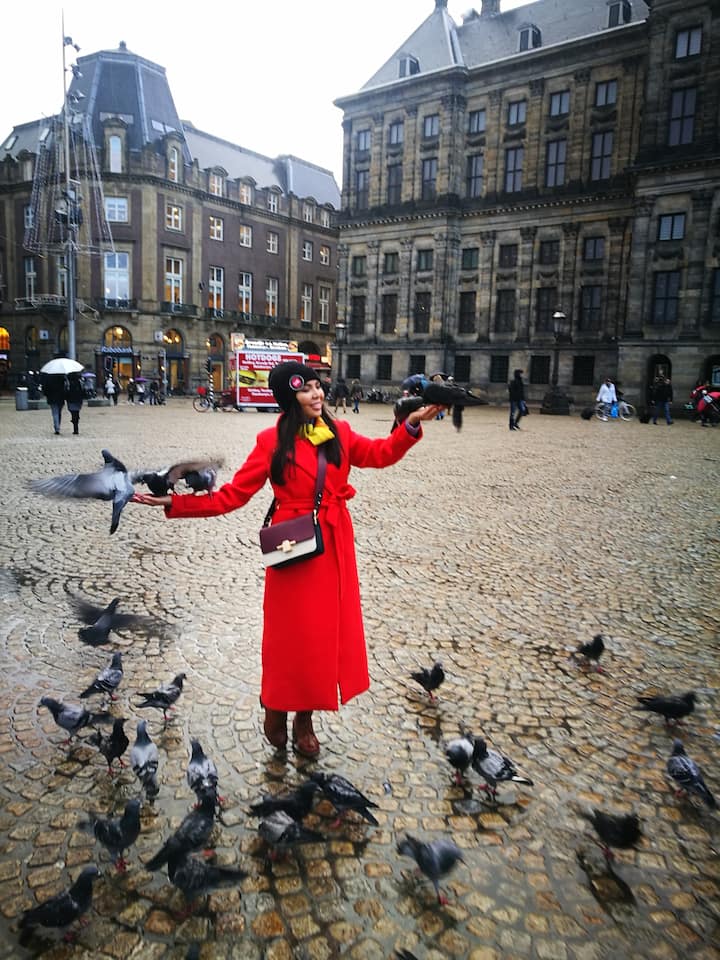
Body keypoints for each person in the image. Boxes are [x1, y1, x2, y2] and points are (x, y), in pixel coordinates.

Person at [131, 361, 444, 759]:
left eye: (318, 386)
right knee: (288, 638)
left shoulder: (340, 432)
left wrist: (410, 425)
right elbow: (232, 496)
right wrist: (174, 503)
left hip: (333, 546)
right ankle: (276, 704)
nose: (317, 394)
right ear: (288, 397)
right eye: (306, 389)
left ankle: (305, 719)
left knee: (320, 638)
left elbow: (380, 454)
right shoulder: (270, 441)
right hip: (292, 547)